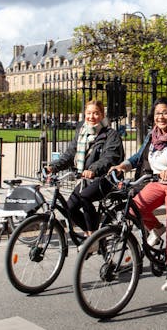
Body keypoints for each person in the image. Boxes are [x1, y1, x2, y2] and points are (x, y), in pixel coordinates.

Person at [110, 97, 167, 293]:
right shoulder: (153, 135)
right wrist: (123, 166)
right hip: (159, 183)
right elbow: (138, 157)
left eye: (165, 112)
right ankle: (156, 228)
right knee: (133, 210)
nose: (161, 116)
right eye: (158, 113)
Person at [46, 100, 124, 238]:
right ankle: (90, 234)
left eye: (95, 113)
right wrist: (53, 167)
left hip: (105, 178)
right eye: (88, 113)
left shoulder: (111, 134)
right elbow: (70, 154)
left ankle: (93, 236)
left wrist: (93, 169)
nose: (91, 117)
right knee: (69, 208)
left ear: (102, 115)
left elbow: (110, 157)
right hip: (86, 179)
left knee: (85, 196)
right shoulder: (82, 131)